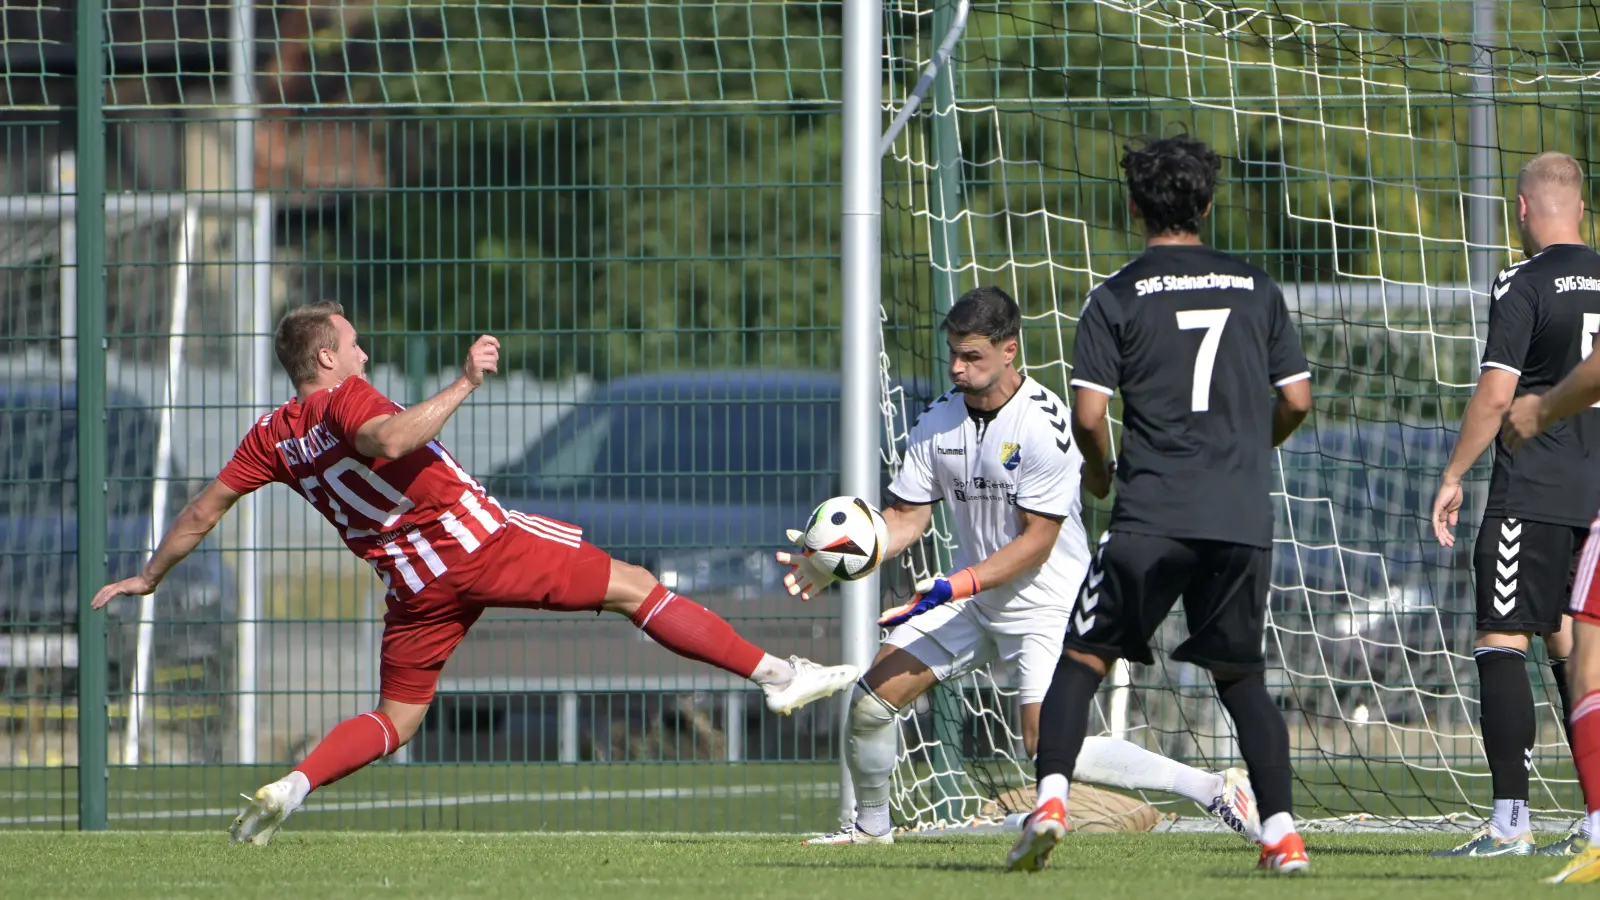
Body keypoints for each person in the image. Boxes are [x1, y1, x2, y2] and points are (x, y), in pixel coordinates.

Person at [90, 302, 860, 846]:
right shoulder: (344, 400)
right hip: (472, 542)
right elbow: (388, 439)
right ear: (324, 357)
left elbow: (202, 509)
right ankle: (773, 675)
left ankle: (292, 786)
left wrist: (148, 576)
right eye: (352, 345)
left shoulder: (270, 435)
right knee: (635, 586)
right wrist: (463, 383)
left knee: (398, 721)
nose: (363, 355)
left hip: (413, 584)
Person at [779, 286, 1261, 846]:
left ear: (1010, 350)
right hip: (973, 598)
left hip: (1050, 603)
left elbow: (1036, 542)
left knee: (1046, 743)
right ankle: (870, 829)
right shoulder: (938, 421)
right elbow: (906, 516)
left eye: (972, 356)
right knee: (870, 703)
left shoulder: (1045, 425)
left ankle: (1213, 788)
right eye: (953, 353)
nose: (956, 367)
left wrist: (952, 585)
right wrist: (840, 556)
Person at [1007, 135, 1313, 874]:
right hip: (1239, 518)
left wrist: (1102, 470)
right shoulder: (1257, 288)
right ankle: (1282, 835)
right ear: (1207, 205)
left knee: (1081, 660)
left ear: (1134, 206)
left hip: (1151, 514)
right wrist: (1249, 451)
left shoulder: (1113, 295)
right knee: (1241, 680)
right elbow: (1297, 399)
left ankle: (1050, 801)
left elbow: (1087, 416)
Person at [1430, 151, 1600, 858]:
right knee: (1574, 649)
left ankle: (1509, 823)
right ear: (1584, 210)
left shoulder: (1521, 280)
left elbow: (1498, 395)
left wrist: (1453, 473)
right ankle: (1594, 819)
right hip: (1595, 503)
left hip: (1529, 492)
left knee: (1501, 639)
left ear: (1522, 211)